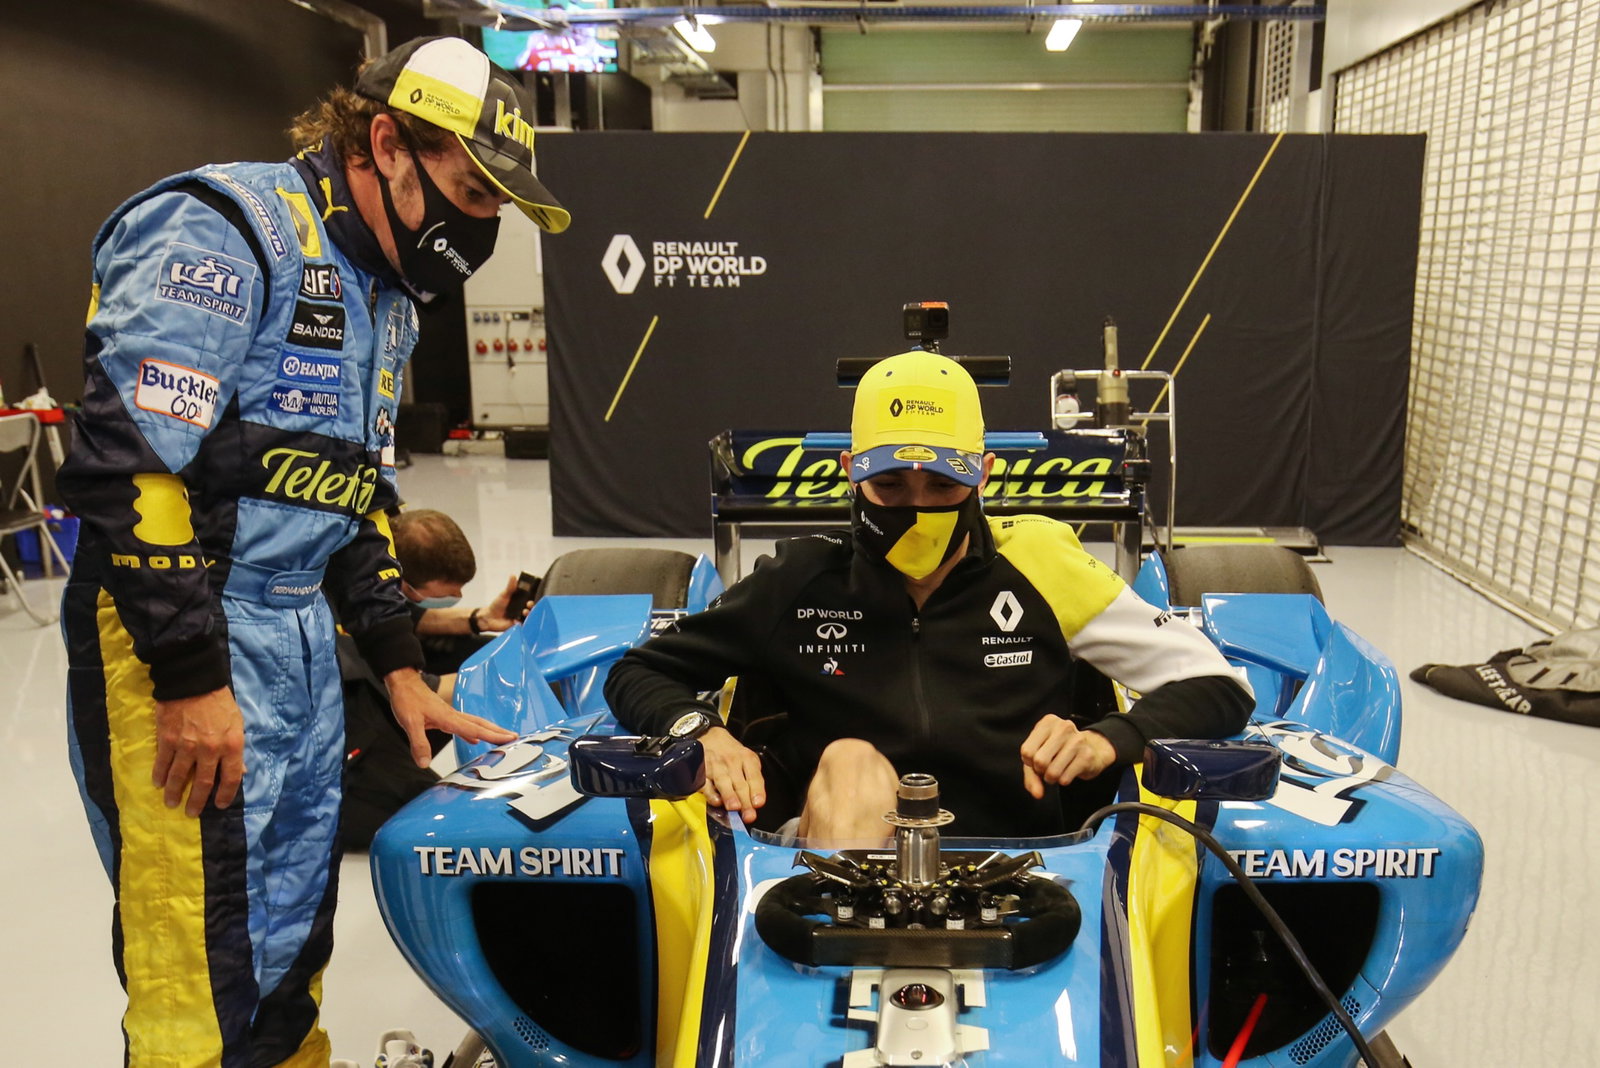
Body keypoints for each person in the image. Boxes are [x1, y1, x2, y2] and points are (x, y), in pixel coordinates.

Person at [58, 36, 566, 1067]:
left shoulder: (384, 291)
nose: (480, 226)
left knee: (288, 956)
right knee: (201, 971)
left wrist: (396, 664)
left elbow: (350, 490)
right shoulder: (221, 231)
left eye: (495, 209)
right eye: (470, 189)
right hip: (178, 640)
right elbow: (131, 470)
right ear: (385, 141)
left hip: (296, 638)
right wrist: (190, 678)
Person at [604, 350, 1255, 842]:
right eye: (890, 485)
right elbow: (640, 671)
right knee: (854, 764)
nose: (917, 508)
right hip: (822, 867)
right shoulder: (799, 580)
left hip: (1029, 865)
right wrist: (699, 729)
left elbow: (1222, 689)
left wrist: (1107, 739)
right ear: (850, 472)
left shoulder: (1042, 565)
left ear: (983, 474)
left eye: (942, 486)